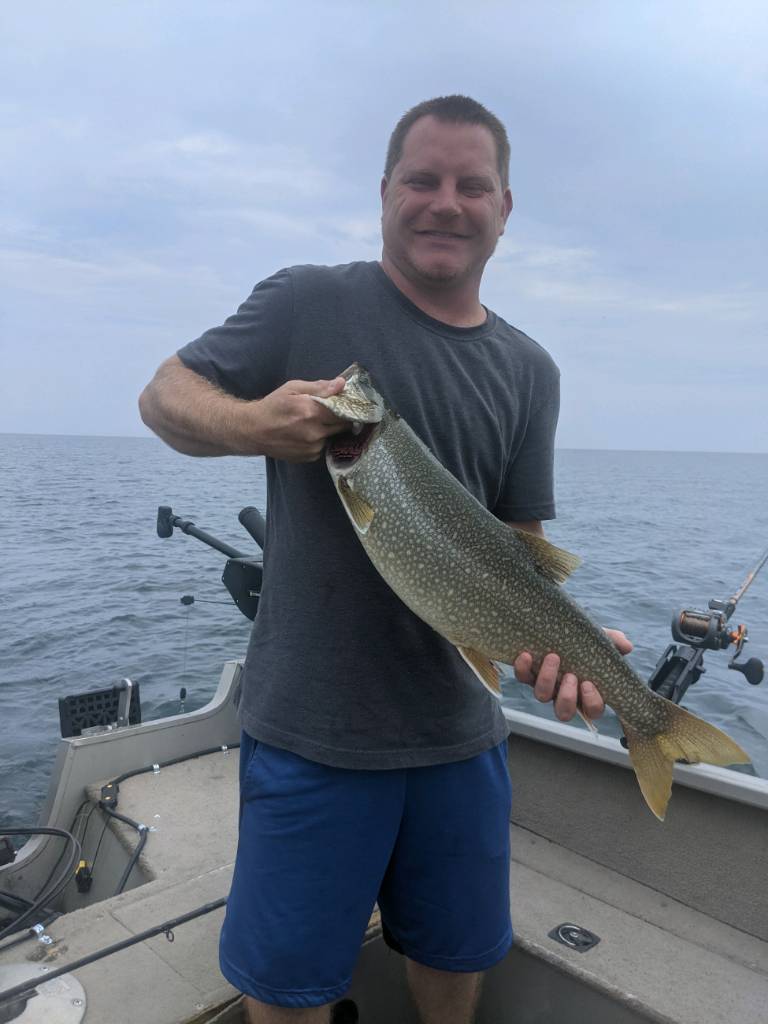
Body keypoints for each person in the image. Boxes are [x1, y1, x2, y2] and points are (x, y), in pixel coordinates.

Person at [139, 95, 631, 1024]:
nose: (446, 202)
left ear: (504, 207)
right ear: (384, 192)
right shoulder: (308, 300)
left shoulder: (531, 369)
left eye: (472, 185)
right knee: (288, 990)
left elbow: (518, 545)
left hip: (460, 736)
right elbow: (164, 395)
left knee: (455, 960)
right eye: (423, 179)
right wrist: (252, 424)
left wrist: (564, 642)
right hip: (312, 735)